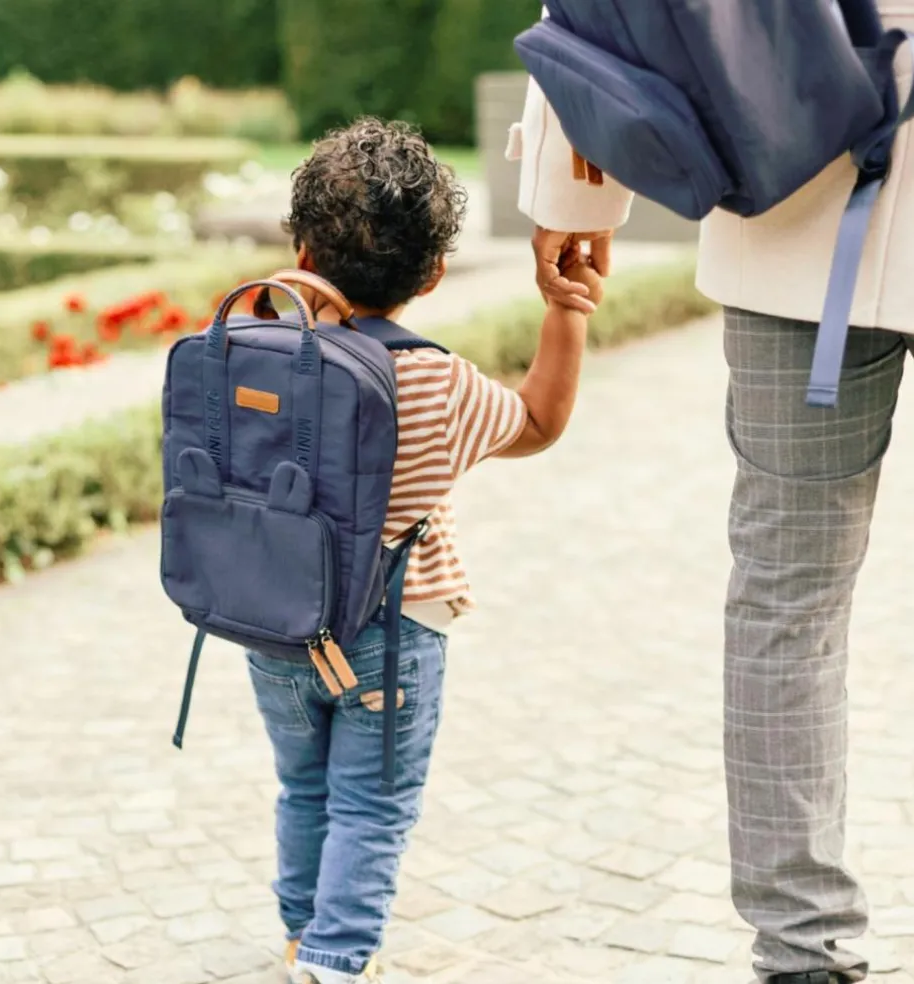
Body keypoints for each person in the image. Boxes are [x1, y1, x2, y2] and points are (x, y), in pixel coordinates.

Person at [509, 3, 914, 982]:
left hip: (795, 191)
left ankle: (802, 953)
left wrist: (573, 183)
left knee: (787, 602)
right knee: (786, 601)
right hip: (796, 202)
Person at [246, 117, 602, 984]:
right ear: (435, 273)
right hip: (392, 630)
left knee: (304, 786)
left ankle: (301, 933)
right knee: (372, 803)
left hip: (274, 619)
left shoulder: (254, 356)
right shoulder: (437, 382)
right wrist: (566, 306)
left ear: (301, 249)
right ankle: (335, 958)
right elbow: (539, 421)